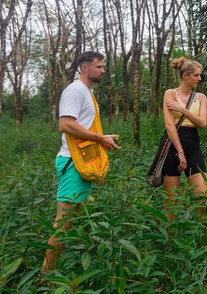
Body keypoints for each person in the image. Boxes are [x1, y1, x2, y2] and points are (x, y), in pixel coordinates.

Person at [42, 51, 121, 273]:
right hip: (71, 163)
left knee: (72, 221)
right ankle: (45, 276)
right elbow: (66, 124)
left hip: (80, 162)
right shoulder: (75, 90)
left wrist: (101, 142)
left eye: (103, 66)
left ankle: (63, 268)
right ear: (84, 68)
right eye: (98, 67)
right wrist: (99, 138)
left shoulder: (87, 92)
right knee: (63, 223)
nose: (103, 70)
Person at [161, 56, 207, 217]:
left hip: (193, 144)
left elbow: (202, 123)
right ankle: (169, 236)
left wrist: (183, 109)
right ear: (185, 75)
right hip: (172, 145)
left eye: (200, 75)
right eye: (196, 75)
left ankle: (205, 235)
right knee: (171, 201)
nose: (199, 78)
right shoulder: (170, 94)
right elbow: (169, 125)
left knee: (204, 198)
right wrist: (180, 152)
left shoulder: (201, 97)